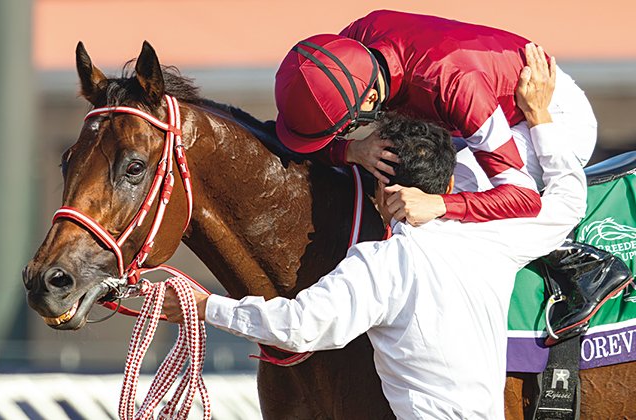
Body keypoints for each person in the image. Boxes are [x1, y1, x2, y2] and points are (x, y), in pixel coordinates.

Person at [163, 51, 585, 418]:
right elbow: (567, 203)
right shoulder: (492, 240)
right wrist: (540, 117)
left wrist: (204, 306)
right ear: (451, 185)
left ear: (383, 194)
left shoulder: (381, 264)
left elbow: (299, 327)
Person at [273, 10, 612, 336]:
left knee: (446, 204)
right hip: (466, 104)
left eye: (343, 129)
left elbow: (520, 197)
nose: (344, 135)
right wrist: (351, 149)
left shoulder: (456, 87)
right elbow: (297, 138)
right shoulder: (348, 49)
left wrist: (439, 204)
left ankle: (576, 262)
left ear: (371, 97)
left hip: (542, 112)